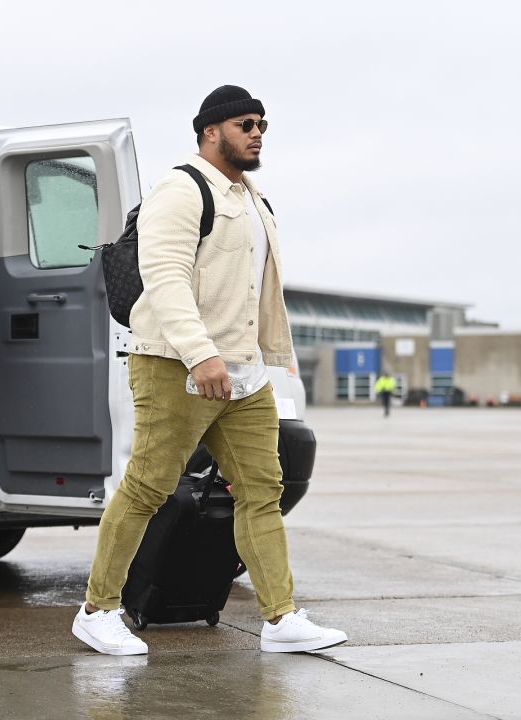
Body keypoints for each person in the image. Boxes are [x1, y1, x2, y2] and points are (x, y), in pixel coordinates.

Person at [72, 85, 348, 656]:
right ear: (210, 132)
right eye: (245, 123)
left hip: (243, 374)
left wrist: (271, 354)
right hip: (177, 364)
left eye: (263, 125)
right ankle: (97, 610)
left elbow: (255, 290)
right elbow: (165, 277)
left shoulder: (253, 199)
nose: (256, 133)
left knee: (261, 491)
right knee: (148, 486)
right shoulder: (181, 188)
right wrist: (202, 355)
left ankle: (280, 618)